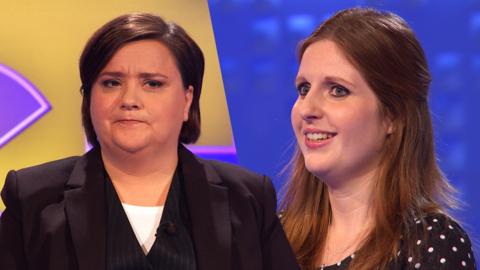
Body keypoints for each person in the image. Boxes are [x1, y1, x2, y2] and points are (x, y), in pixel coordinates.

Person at [0, 13, 299, 270]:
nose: (129, 100)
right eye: (111, 83)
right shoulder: (33, 197)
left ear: (186, 100)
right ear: (89, 98)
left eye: (152, 84)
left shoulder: (246, 196)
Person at [280, 7, 476, 270]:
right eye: (304, 89)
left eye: (338, 90)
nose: (306, 109)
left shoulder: (431, 246)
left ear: (393, 115)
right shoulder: (274, 237)